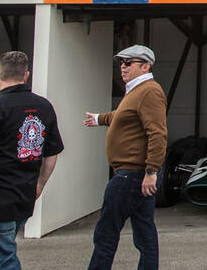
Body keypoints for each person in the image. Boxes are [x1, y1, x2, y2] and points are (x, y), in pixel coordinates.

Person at [0, 50, 64, 270]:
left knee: (0, 261)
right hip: (23, 199)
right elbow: (51, 152)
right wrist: (39, 185)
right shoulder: (44, 107)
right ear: (26, 76)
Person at [82, 44, 167, 270]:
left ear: (145, 66)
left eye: (128, 63)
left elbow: (157, 133)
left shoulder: (149, 91)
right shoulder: (137, 91)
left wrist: (151, 171)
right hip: (134, 175)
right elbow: (123, 116)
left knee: (106, 233)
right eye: (121, 63)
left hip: (131, 175)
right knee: (144, 231)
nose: (123, 67)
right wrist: (100, 118)